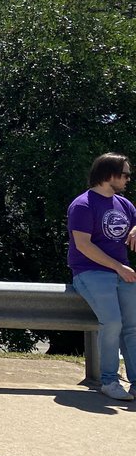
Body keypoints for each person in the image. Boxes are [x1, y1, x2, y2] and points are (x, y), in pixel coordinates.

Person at [67, 152, 136, 402]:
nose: (128, 178)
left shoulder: (124, 204)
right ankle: (109, 380)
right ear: (110, 175)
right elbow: (84, 245)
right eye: (125, 174)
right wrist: (119, 267)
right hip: (90, 272)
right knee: (113, 323)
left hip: (121, 272)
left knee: (132, 327)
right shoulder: (83, 204)